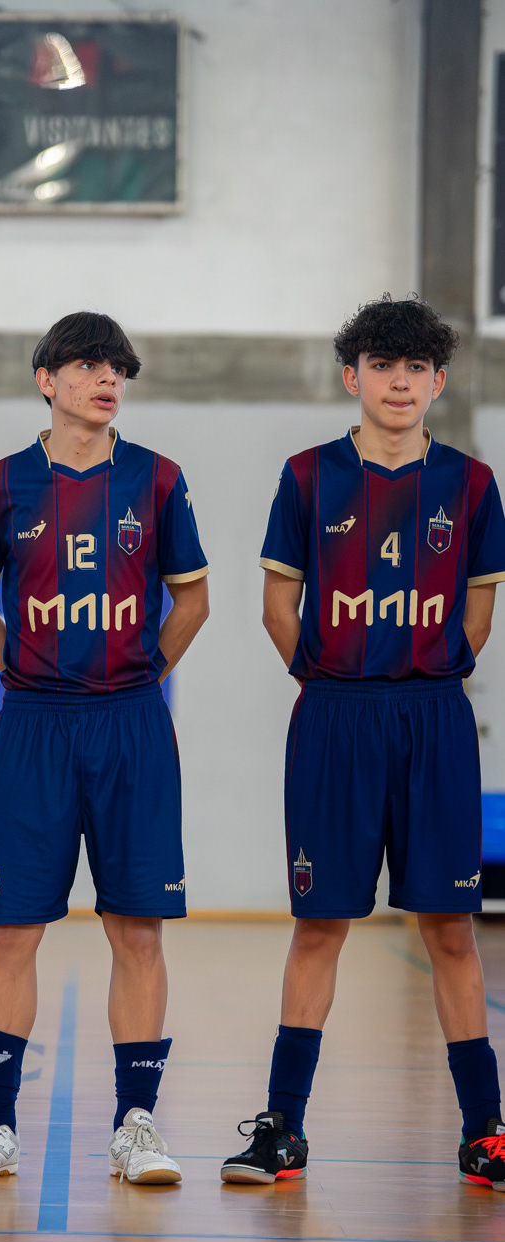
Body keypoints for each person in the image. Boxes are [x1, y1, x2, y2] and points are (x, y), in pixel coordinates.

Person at [221, 295, 505, 1190]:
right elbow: (278, 606)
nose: (400, 382)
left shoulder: (471, 484)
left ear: (439, 381)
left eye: (416, 368)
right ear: (354, 376)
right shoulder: (308, 476)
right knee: (320, 925)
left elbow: (478, 613)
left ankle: (486, 1130)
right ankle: (284, 1128)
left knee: (451, 929)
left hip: (433, 716)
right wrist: (329, 681)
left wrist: (429, 672)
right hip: (335, 714)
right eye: (383, 365)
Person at [0, 311, 210, 1185]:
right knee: (10, 931)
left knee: (138, 930)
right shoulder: (0, 484)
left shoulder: (158, 480)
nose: (107, 379)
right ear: (46, 380)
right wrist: (22, 666)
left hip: (131, 723)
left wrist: (142, 673)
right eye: (89, 365)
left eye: (117, 368)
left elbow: (193, 599)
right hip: (34, 726)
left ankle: (137, 1125)